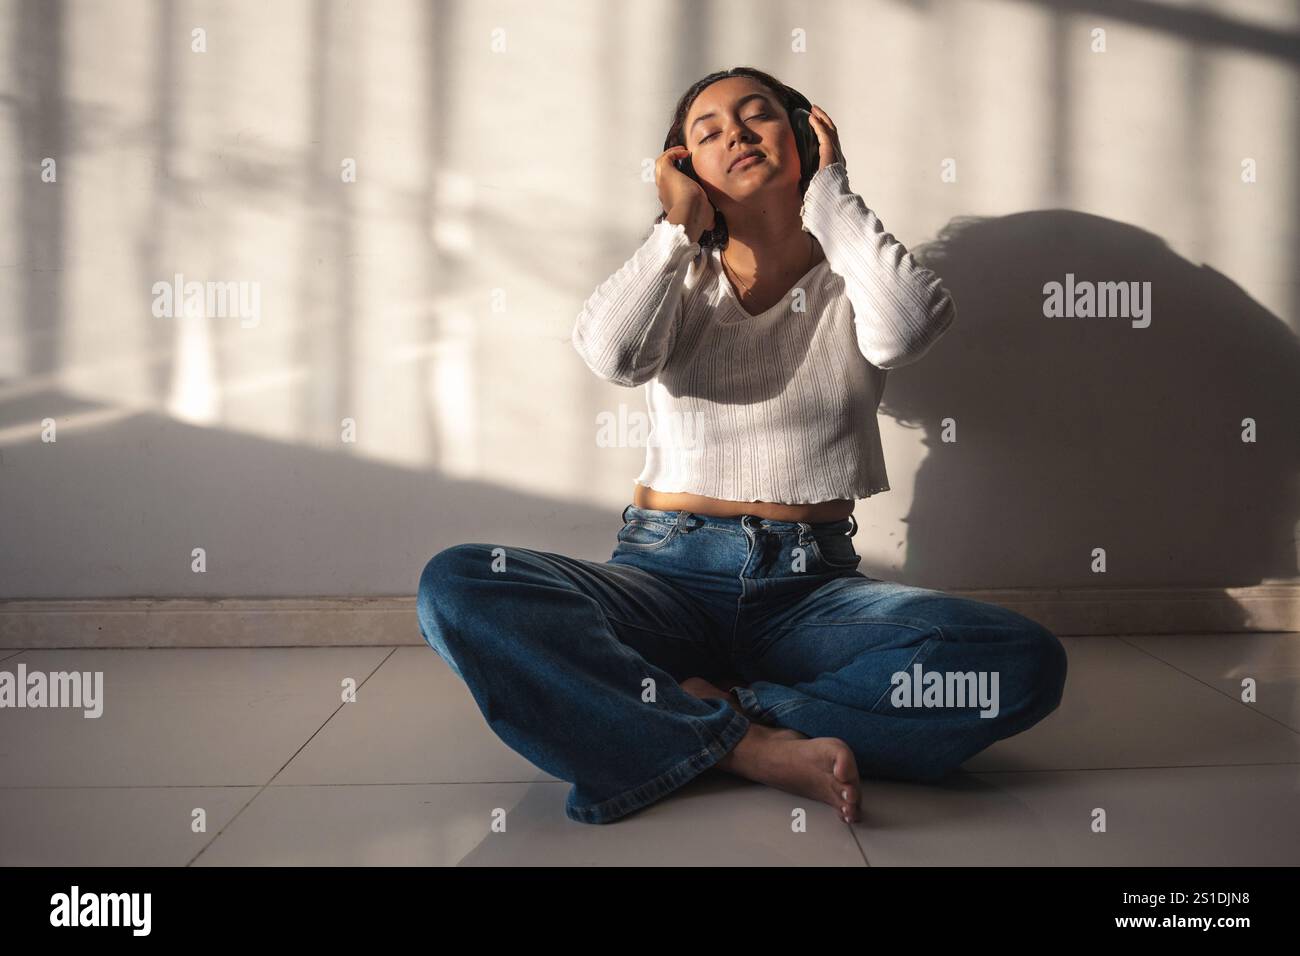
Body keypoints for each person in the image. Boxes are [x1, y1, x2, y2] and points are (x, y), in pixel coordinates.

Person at [418, 66, 1067, 826]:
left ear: (804, 138)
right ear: (684, 168)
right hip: (665, 578)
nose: (736, 133)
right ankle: (748, 746)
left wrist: (831, 196)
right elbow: (613, 355)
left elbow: (911, 326)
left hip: (811, 593)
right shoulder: (676, 277)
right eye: (708, 130)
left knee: (1017, 663)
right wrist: (676, 228)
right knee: (460, 582)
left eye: (759, 117)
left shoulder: (853, 277)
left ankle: (702, 714)